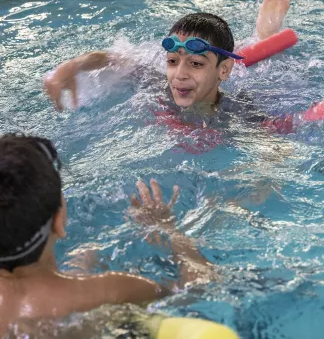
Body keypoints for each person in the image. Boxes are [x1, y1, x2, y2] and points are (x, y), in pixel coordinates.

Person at [0, 133, 213, 337]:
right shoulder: (114, 291)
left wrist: (79, 271)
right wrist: (169, 229)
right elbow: (201, 292)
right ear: (59, 220)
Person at [44, 0, 293, 130]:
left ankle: (265, 37)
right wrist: (72, 66)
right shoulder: (157, 88)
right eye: (173, 61)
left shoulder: (239, 114)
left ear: (224, 70)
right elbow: (112, 59)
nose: (179, 75)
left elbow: (276, 152)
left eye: (195, 63)